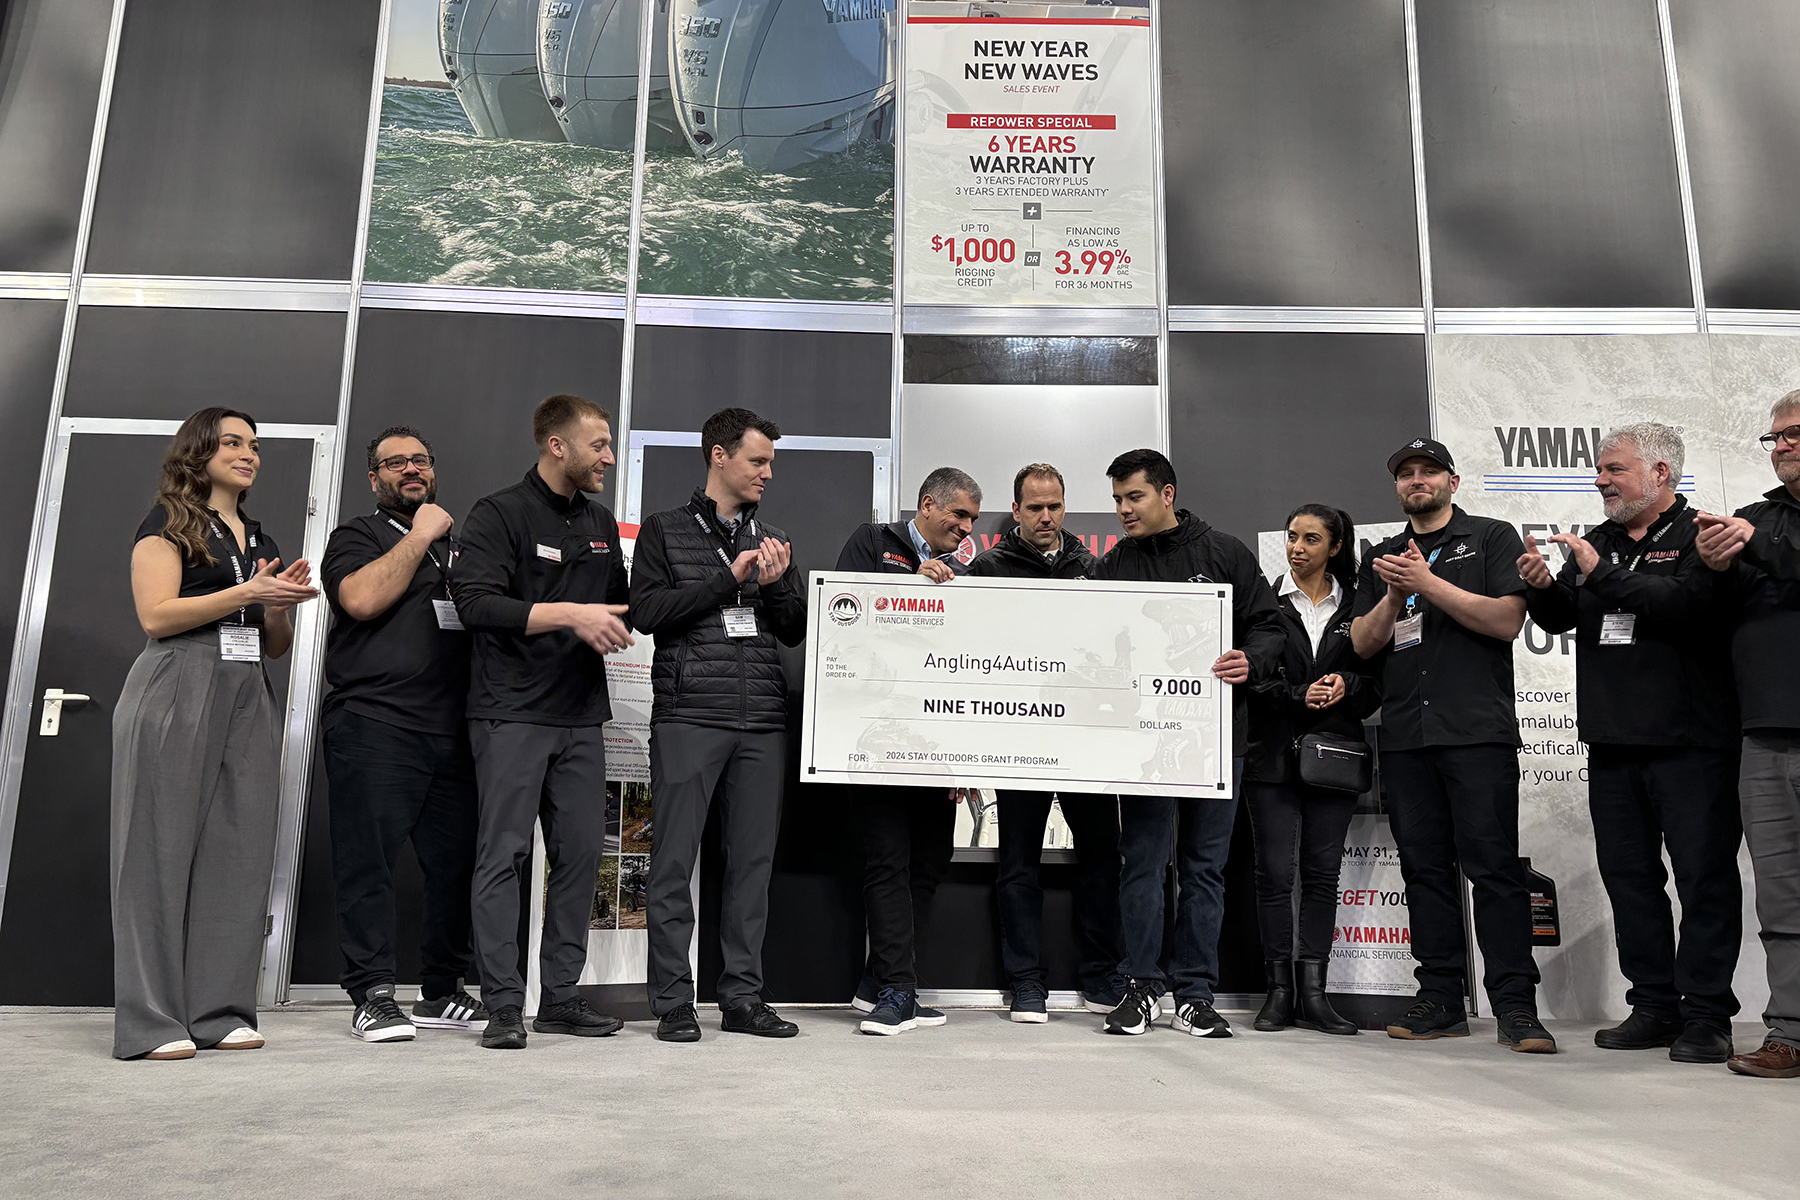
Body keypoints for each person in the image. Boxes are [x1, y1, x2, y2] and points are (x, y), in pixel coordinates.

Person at [1518, 422, 1741, 1065]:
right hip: (1612, 741)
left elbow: (1685, 605)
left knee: (1704, 881)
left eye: (1614, 469)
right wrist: (1543, 586)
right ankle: (1654, 1005)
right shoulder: (1598, 541)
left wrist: (1600, 575)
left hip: (1692, 742)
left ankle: (1707, 1015)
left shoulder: (1702, 534)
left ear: (1659, 473)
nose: (1601, 481)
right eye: (1599, 469)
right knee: (1630, 880)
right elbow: (1565, 615)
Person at [112, 407, 318, 1060]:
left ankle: (220, 1012)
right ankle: (151, 1021)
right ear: (198, 451)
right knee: (156, 851)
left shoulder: (257, 536)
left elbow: (275, 645)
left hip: (247, 685)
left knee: (241, 850)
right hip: (179, 679)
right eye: (233, 442)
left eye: (254, 445)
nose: (249, 453)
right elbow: (156, 616)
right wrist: (245, 594)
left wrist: (276, 605)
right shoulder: (168, 522)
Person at [1349, 437, 1553, 1053]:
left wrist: (1427, 583)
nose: (1417, 480)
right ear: (1396, 487)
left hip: (1476, 734)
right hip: (1406, 737)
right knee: (1424, 870)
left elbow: (1506, 621)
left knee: (1494, 869)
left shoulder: (1491, 537)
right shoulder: (1381, 556)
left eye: (1429, 471)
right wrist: (1394, 595)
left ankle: (1516, 1007)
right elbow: (1362, 643)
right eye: (1406, 473)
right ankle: (1440, 997)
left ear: (1453, 482)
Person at [453, 394, 634, 1051]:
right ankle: (503, 1005)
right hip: (511, 711)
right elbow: (475, 604)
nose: (608, 457)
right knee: (503, 855)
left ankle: (559, 998)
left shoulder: (600, 521)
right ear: (558, 445)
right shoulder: (499, 512)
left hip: (581, 715)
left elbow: (620, 605)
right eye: (599, 445)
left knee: (582, 855)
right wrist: (571, 614)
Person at [1092, 449, 1284, 1038]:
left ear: (1167, 494)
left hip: (1216, 737)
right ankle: (1140, 986)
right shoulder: (1114, 564)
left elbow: (1269, 624)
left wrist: (1250, 658)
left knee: (1204, 870)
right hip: (1146, 744)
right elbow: (1092, 639)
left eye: (1135, 497)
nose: (1124, 510)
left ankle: (1195, 993)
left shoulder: (1224, 552)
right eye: (1118, 500)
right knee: (1143, 865)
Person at [631, 407, 807, 1043]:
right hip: (689, 716)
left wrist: (778, 585)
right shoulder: (664, 530)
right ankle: (674, 1002)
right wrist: (723, 581)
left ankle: (742, 998)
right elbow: (646, 612)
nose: (767, 474)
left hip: (761, 722)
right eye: (758, 461)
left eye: (770, 464)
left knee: (751, 866)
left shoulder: (775, 538)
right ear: (719, 456)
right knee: (673, 862)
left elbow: (794, 629)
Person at [320, 426, 486, 1043]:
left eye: (420, 460)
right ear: (374, 478)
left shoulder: (460, 550)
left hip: (455, 729)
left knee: (456, 866)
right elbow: (360, 600)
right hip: (375, 722)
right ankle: (371, 994)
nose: (411, 469)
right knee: (369, 864)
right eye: (395, 463)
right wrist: (419, 535)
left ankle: (441, 990)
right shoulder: (358, 536)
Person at [967, 464, 1123, 1023]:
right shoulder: (988, 568)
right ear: (1016, 511)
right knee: (1018, 865)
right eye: (1034, 507)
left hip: (1084, 739)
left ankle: (1102, 975)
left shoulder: (1094, 566)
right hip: (1020, 739)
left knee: (1102, 860)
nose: (1046, 517)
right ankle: (1026, 983)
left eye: (1054, 506)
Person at [835, 467, 980, 1035]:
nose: (966, 528)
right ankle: (898, 990)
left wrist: (966, 759)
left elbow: (970, 670)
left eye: (972, 519)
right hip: (876, 739)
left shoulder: (966, 574)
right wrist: (906, 589)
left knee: (929, 864)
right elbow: (840, 621)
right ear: (926, 504)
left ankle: (880, 984)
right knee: (888, 862)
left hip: (936, 746)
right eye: (959, 515)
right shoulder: (873, 543)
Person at [1244, 504, 1380, 1037]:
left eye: (1310, 539)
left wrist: (1349, 685)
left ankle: (1316, 996)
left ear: (1336, 547)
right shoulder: (1265, 602)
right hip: (1272, 756)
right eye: (1291, 537)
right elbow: (1250, 677)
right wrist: (1299, 693)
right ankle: (1279, 994)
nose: (1296, 548)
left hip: (1335, 758)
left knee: (1323, 876)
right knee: (1274, 876)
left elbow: (1378, 684)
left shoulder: (1360, 605)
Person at [1695, 390, 1800, 1080]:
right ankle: (1790, 1032)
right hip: (1764, 735)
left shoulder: (1757, 532)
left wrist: (1753, 548)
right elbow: (1709, 617)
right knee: (1783, 898)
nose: (1781, 444)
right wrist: (1714, 566)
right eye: (1774, 436)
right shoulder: (1756, 518)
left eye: (1793, 433)